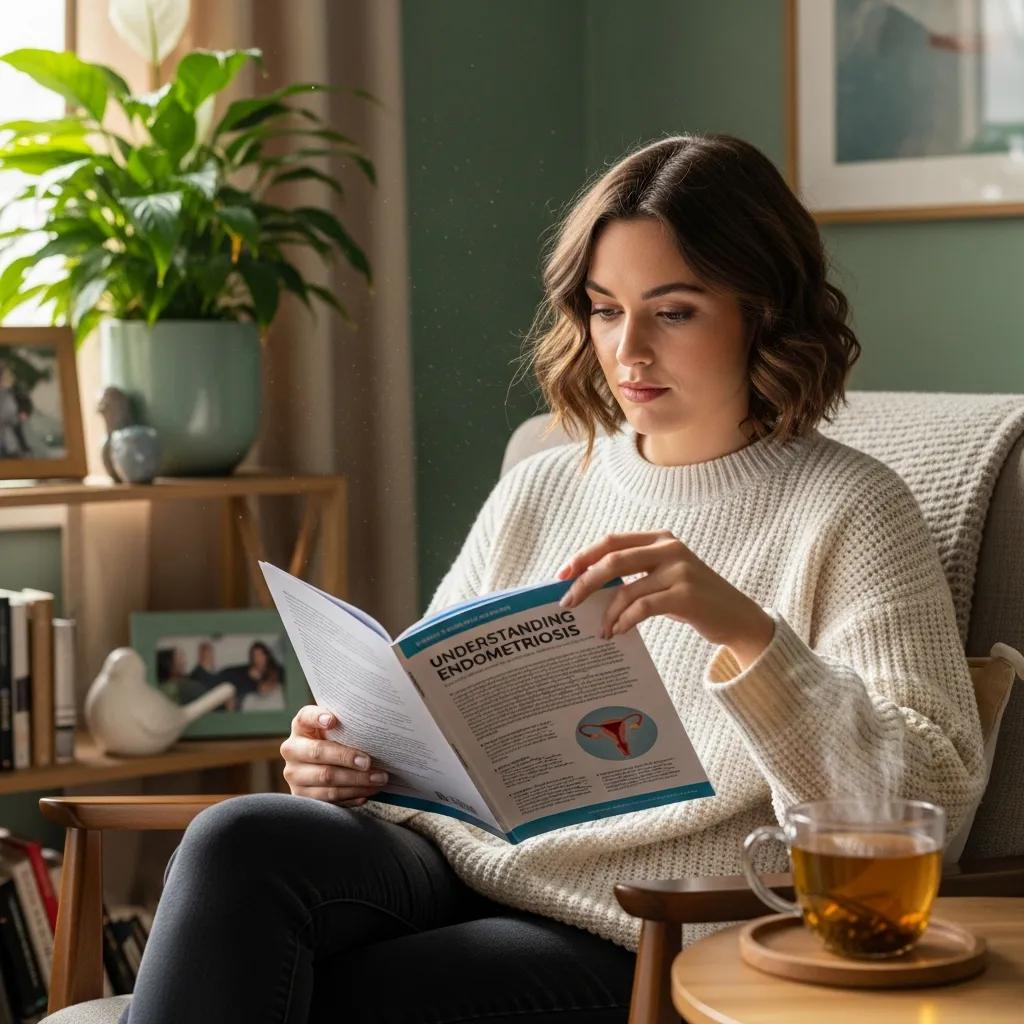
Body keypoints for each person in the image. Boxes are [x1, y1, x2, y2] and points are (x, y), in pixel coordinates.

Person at [119, 133, 985, 1024]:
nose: (628, 351)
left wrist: (744, 632)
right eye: (605, 310)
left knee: (325, 998)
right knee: (239, 835)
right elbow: (428, 700)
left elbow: (926, 803)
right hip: (456, 861)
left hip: (636, 925)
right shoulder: (545, 480)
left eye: (674, 311)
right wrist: (339, 756)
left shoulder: (853, 508)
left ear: (765, 311)